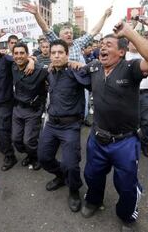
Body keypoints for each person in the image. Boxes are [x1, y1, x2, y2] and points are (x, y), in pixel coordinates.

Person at [81, 21, 148, 232]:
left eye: (109, 44)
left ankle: (126, 215)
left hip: (124, 142)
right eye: (102, 44)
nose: (103, 47)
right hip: (97, 139)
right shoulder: (95, 67)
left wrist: (129, 32)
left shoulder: (131, 68)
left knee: (126, 184)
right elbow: (74, 70)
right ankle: (93, 200)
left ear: (122, 52)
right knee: (91, 174)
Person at [23, 3, 113, 127]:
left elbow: (94, 31)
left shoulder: (78, 43)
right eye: (66, 33)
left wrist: (104, 15)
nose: (69, 34)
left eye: (70, 33)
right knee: (54, 111)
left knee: (82, 109)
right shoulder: (55, 42)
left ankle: (76, 127)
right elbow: (45, 28)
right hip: (59, 83)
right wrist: (37, 14)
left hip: (78, 83)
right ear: (59, 36)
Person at [37, 39, 91, 213]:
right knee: (44, 158)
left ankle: (73, 190)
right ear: (50, 55)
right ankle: (61, 177)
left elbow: (92, 78)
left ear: (67, 54)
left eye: (61, 52)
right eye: (53, 53)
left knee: (71, 164)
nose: (57, 55)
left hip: (70, 127)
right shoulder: (50, 72)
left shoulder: (75, 70)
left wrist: (80, 66)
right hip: (51, 124)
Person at [0, 37, 34, 171]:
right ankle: (5, 144)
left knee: (2, 129)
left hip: (6, 102)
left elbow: (21, 59)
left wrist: (30, 61)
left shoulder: (6, 59)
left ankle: (10, 156)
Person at [125, 16, 148, 157]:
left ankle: (145, 145)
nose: (134, 43)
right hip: (127, 93)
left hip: (144, 93)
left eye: (136, 40)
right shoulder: (122, 55)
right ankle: (128, 146)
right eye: (131, 41)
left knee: (145, 122)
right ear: (127, 44)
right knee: (127, 122)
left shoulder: (146, 55)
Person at [11, 42, 48, 170]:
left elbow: (53, 68)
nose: (19, 56)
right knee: (16, 139)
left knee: (29, 141)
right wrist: (31, 59)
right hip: (17, 109)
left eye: (22, 53)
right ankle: (29, 154)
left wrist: (32, 61)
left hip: (33, 110)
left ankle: (35, 157)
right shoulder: (13, 66)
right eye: (16, 53)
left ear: (27, 54)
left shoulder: (39, 70)